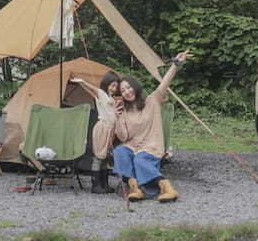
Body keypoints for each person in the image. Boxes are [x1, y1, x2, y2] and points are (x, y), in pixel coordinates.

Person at [113, 50, 192, 202]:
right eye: (123, 91)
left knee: (140, 160)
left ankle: (168, 189)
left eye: (128, 87)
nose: (127, 92)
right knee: (120, 151)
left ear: (134, 87)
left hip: (151, 146)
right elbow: (123, 137)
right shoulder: (124, 112)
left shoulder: (152, 101)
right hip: (133, 147)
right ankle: (135, 189)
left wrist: (176, 65)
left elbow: (164, 84)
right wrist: (117, 117)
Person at [70, 71, 120, 194]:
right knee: (98, 157)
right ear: (107, 83)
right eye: (112, 85)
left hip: (110, 130)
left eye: (116, 86)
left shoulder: (111, 98)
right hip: (102, 128)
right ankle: (95, 185)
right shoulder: (102, 94)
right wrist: (82, 82)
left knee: (105, 156)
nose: (114, 88)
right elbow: (93, 89)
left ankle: (105, 184)